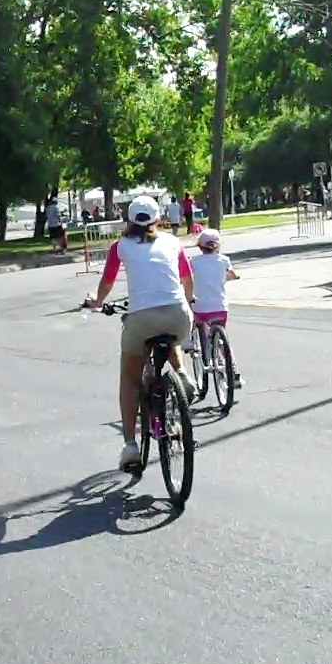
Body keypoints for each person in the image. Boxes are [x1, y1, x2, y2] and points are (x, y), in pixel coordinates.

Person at [86, 196, 198, 471]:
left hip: (142, 318)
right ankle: (182, 374)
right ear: (158, 218)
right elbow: (187, 278)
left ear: (129, 219)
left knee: (130, 380)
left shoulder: (120, 246)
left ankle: (130, 446)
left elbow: (107, 281)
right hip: (178, 314)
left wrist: (97, 301)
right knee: (171, 335)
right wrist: (188, 299)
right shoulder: (173, 242)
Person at [188, 229, 244, 389]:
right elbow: (231, 274)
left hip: (200, 307)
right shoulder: (224, 260)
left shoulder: (194, 262)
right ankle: (234, 372)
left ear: (200, 246)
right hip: (220, 307)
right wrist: (232, 277)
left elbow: (186, 277)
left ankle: (194, 344)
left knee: (197, 322)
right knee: (223, 337)